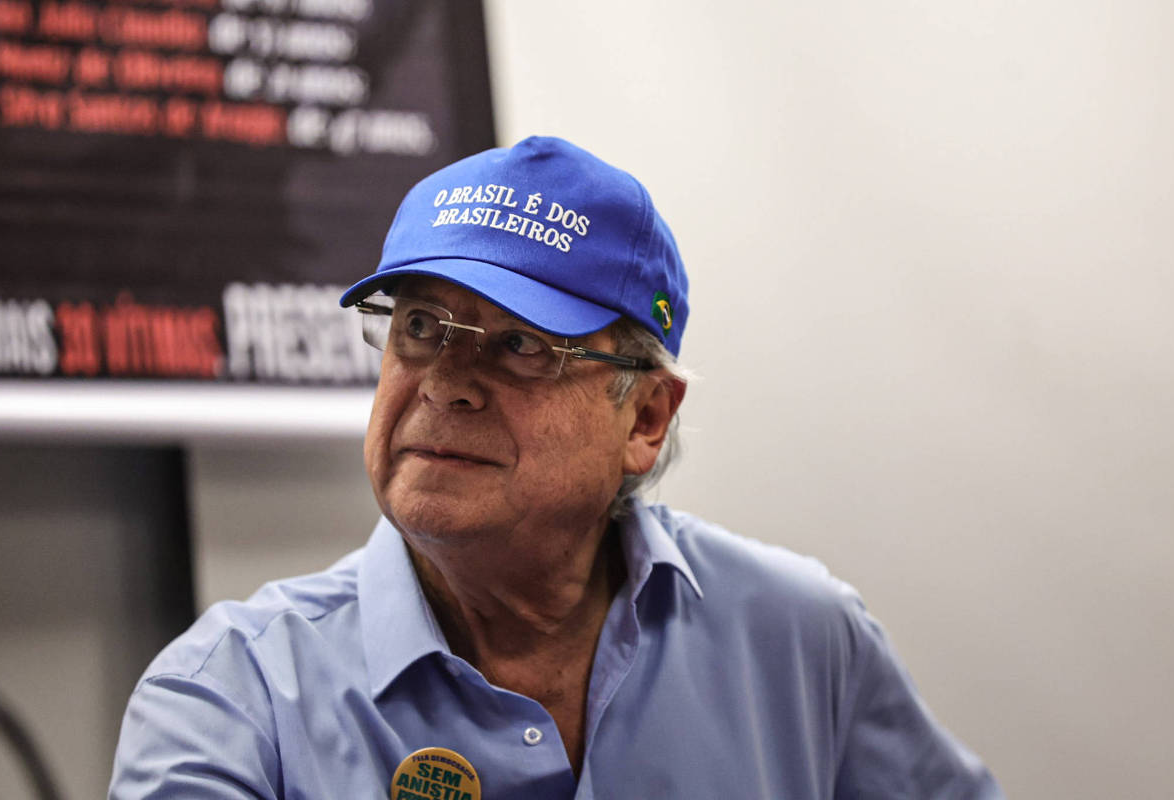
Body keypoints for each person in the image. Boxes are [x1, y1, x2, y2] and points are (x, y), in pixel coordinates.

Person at [110, 136, 1003, 798]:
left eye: (521, 345)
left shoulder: (799, 637)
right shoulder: (235, 698)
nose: (445, 383)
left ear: (644, 418)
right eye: (419, 327)